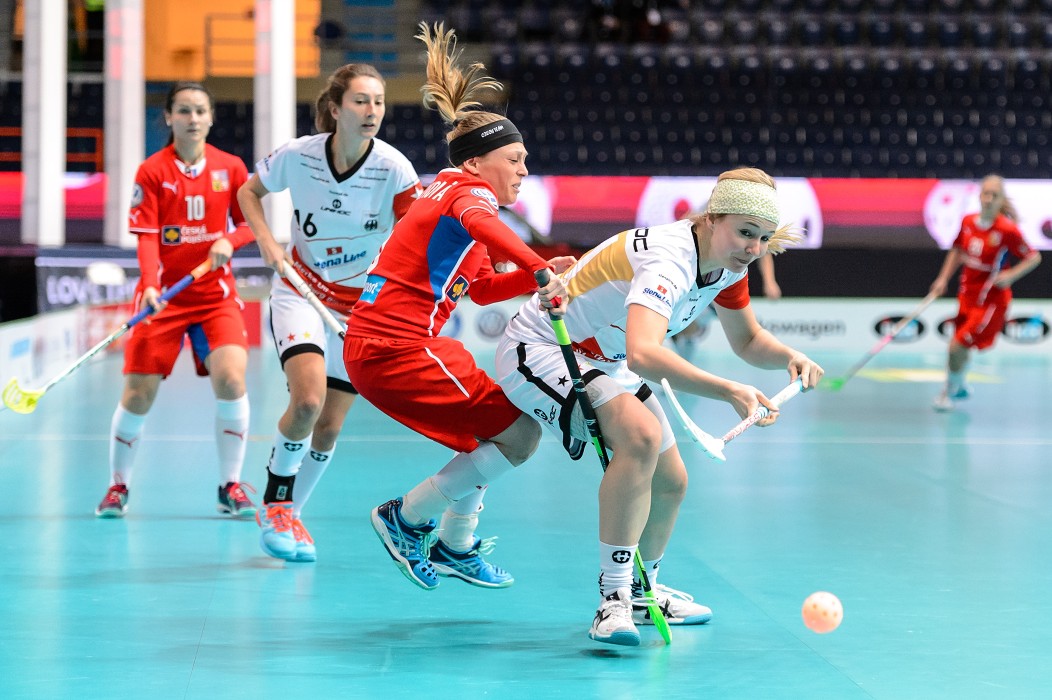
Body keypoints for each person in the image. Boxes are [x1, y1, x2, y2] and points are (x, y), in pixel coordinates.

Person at [494, 167, 825, 646]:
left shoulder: (729, 264)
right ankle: (613, 600)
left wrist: (790, 357)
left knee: (672, 481)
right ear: (713, 219)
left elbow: (749, 339)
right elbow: (644, 354)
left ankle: (643, 589)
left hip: (604, 360)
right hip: (545, 346)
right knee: (640, 439)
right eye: (745, 233)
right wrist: (731, 390)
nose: (753, 248)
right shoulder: (668, 257)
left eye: (763, 238)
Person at [343, 22, 570, 591]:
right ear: (477, 163)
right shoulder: (463, 194)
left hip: (384, 349)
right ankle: (408, 518)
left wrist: (538, 273)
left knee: (492, 436)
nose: (524, 170)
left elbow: (481, 287)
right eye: (514, 159)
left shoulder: (448, 199)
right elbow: (481, 220)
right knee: (519, 433)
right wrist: (539, 266)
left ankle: (456, 546)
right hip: (398, 346)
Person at [237, 64, 422, 562]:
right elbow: (248, 191)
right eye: (362, 101)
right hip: (301, 290)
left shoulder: (394, 168)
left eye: (379, 101)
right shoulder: (298, 156)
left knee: (331, 426)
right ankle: (275, 504)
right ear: (336, 109)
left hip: (360, 310)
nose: (373, 111)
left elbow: (416, 235)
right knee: (306, 402)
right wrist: (267, 242)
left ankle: (291, 513)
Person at [95, 82, 256, 519]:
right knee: (138, 394)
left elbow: (250, 224)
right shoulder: (151, 171)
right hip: (163, 298)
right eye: (183, 111)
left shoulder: (231, 167)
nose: (192, 118)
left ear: (211, 117)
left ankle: (230, 485)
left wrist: (229, 238)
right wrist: (149, 283)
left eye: (200, 110)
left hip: (214, 297)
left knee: (232, 380)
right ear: (169, 118)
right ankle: (118, 486)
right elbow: (147, 238)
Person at [929, 174, 1041, 412]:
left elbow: (1033, 257)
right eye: (986, 194)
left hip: (990, 301)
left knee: (957, 347)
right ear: (979, 196)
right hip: (967, 294)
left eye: (995, 195)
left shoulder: (1007, 230)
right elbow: (957, 250)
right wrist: (942, 279)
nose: (989, 199)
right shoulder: (968, 222)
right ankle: (957, 386)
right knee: (958, 345)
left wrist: (1011, 276)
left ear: (1001, 200)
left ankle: (950, 389)